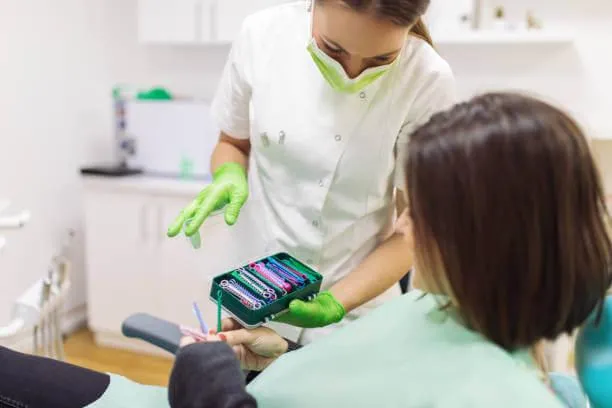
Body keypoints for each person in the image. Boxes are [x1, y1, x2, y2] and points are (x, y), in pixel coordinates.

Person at [0, 93, 610, 408]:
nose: (404, 223)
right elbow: (348, 383)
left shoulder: (493, 398)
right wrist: (271, 359)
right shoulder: (438, 307)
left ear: (487, 235)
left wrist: (207, 389)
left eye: (420, 211)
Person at [166, 0, 457, 344]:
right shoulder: (261, 37)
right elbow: (233, 141)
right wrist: (229, 173)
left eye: (381, 60)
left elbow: (417, 226)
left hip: (356, 312)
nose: (352, 71)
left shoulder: (426, 79)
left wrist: (337, 302)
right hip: (257, 294)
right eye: (333, 49)